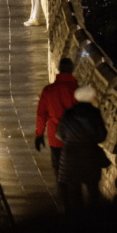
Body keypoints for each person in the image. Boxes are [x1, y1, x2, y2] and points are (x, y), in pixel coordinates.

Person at [34, 58, 79, 209]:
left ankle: (64, 205)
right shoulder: (78, 90)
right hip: (74, 139)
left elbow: (41, 114)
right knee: (74, 172)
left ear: (59, 70)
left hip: (55, 139)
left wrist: (39, 134)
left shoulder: (48, 90)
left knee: (59, 172)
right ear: (72, 70)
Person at [56, 85, 109, 212]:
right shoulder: (95, 114)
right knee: (93, 191)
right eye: (94, 95)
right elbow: (101, 136)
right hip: (90, 157)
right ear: (90, 97)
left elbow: (59, 134)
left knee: (74, 193)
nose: (95, 97)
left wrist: (70, 140)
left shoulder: (68, 114)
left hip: (70, 158)